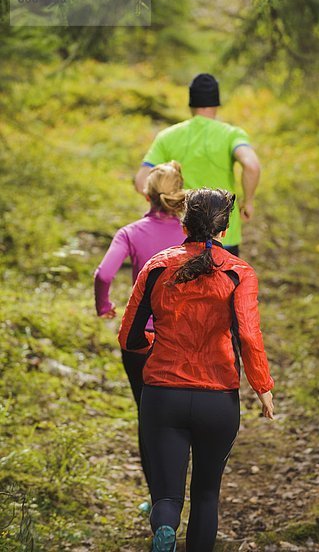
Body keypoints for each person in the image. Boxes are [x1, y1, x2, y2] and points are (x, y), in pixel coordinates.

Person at [118, 188, 274, 552]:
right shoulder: (239, 272)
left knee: (167, 496)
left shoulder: (156, 266)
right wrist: (262, 386)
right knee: (206, 494)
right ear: (223, 230)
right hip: (217, 398)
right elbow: (249, 336)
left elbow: (129, 335)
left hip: (162, 394)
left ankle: (165, 531)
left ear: (184, 223)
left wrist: (151, 352)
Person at [94, 161, 185, 484]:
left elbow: (104, 274)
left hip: (141, 341)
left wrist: (104, 306)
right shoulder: (192, 234)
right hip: (184, 341)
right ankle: (182, 491)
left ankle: (158, 498)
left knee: (148, 416)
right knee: (183, 415)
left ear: (148, 195)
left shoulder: (130, 233)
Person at [134, 73, 261, 257]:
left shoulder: (168, 136)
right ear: (216, 103)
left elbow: (141, 183)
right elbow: (252, 166)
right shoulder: (231, 135)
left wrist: (168, 204)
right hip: (223, 236)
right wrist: (248, 202)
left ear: (191, 103)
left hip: (180, 237)